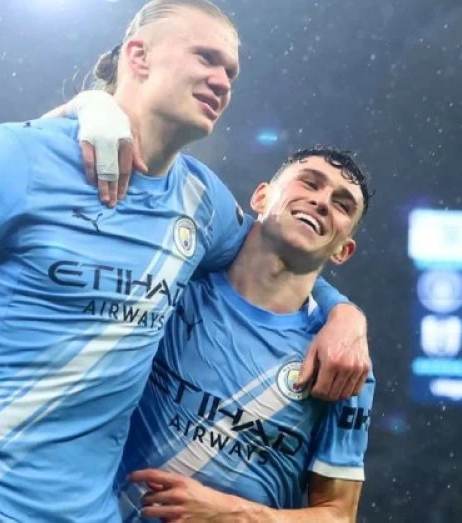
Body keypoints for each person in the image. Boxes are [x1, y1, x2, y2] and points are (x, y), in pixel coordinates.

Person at [0, 1, 370, 522]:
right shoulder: (20, 155)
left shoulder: (204, 204)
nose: (222, 80)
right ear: (138, 56)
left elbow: (281, 255)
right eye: (206, 58)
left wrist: (346, 317)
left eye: (231, 72)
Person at [117, 146, 374, 522]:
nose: (321, 202)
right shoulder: (176, 280)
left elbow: (339, 515)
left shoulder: (341, 359)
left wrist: (232, 514)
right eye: (309, 183)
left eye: (342, 205)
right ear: (261, 197)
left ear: (343, 251)